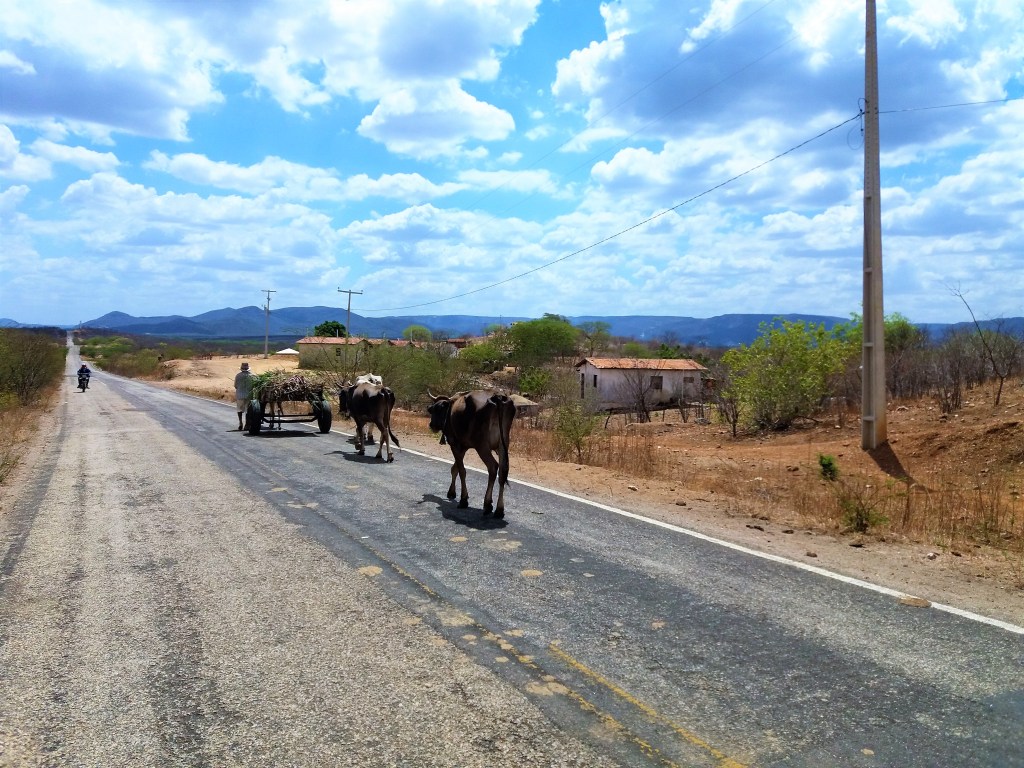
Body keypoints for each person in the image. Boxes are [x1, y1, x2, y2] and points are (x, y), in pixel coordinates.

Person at [234, 362, 254, 430]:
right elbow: (253, 386)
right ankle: (247, 424)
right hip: (249, 395)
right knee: (247, 411)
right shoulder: (252, 376)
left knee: (239, 409)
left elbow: (236, 386)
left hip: (240, 395)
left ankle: (240, 422)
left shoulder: (238, 376)